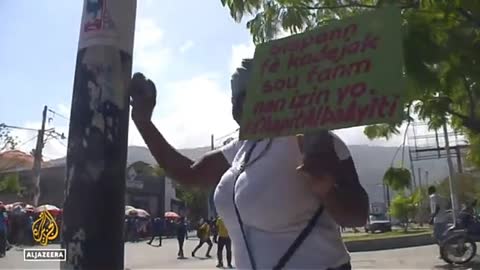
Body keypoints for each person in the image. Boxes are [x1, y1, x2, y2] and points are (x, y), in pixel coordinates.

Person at [129, 59, 368, 269]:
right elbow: (189, 173)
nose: (238, 106)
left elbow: (357, 214)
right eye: (235, 98)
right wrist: (143, 121)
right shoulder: (240, 148)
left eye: (247, 96)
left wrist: (326, 189)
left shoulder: (312, 140)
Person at [428, 186, 449, 257]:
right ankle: (443, 253)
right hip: (443, 219)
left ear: (430, 191)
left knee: (436, 237)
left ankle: (444, 252)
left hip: (438, 220)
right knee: (441, 237)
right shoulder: (440, 197)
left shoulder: (432, 196)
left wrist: (432, 218)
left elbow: (437, 207)